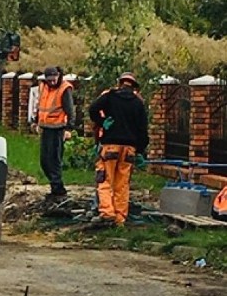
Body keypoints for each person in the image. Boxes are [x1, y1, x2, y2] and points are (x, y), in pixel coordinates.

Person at [87, 73, 150, 227]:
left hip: (110, 145)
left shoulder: (110, 96)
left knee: (105, 180)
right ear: (134, 87)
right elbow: (142, 130)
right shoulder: (138, 103)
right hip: (129, 149)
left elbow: (92, 109)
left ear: (120, 83)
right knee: (122, 184)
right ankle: (120, 218)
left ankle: (107, 213)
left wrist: (102, 122)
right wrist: (140, 151)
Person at [34, 66, 75, 200]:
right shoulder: (43, 87)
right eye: (49, 80)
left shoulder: (64, 89)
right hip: (45, 128)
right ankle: (55, 185)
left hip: (58, 129)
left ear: (58, 76)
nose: (52, 82)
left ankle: (58, 189)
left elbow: (70, 110)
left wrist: (69, 129)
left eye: (54, 79)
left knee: (54, 160)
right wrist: (36, 122)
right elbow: (39, 105)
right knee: (44, 161)